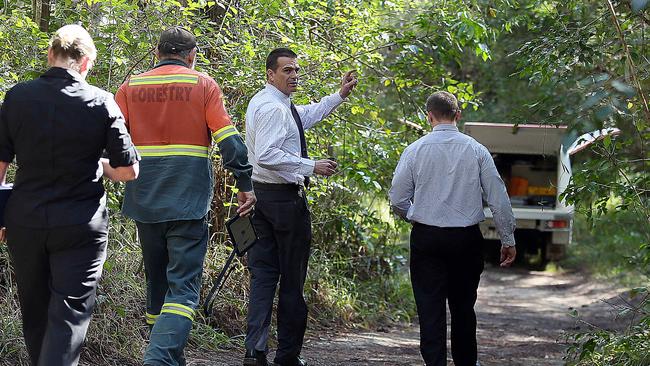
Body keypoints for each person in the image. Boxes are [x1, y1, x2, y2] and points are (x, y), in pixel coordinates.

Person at [114, 26, 255, 366]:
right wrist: (244, 182)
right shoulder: (202, 85)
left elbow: (110, 141)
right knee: (184, 290)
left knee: (158, 285)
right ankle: (158, 359)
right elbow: (228, 140)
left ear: (156, 52)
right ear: (192, 56)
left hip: (145, 200)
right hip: (188, 201)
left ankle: (167, 358)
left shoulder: (130, 87)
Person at [0, 24, 140, 366]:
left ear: (51, 55)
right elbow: (129, 170)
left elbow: (0, 164)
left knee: (34, 312)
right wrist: (100, 163)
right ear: (87, 62)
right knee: (68, 317)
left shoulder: (17, 96)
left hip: (26, 221)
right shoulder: (101, 102)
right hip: (80, 224)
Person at [243, 48, 357, 366]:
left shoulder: (273, 103)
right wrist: (311, 165)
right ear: (270, 74)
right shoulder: (273, 109)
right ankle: (287, 356)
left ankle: (255, 352)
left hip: (262, 200)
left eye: (296, 70)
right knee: (292, 279)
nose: (294, 75)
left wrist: (339, 95)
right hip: (281, 203)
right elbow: (266, 154)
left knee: (264, 277)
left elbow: (304, 117)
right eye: (287, 70)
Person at [388, 91, 517, 366]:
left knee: (429, 309)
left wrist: (416, 216)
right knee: (463, 308)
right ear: (458, 115)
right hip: (466, 239)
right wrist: (508, 238)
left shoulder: (415, 149)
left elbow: (397, 198)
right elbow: (498, 197)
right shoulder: (476, 150)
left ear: (429, 116)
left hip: (427, 238)